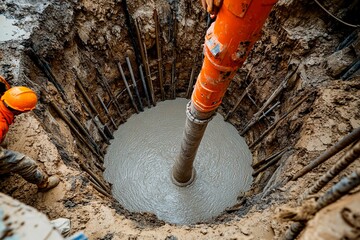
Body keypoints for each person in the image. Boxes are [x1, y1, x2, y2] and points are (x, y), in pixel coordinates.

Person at [0, 78, 60, 191]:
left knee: (4, 141)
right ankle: (43, 183)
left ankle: (4, 169)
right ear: (19, 111)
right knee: (24, 162)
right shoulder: (1, 124)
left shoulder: (4, 101)